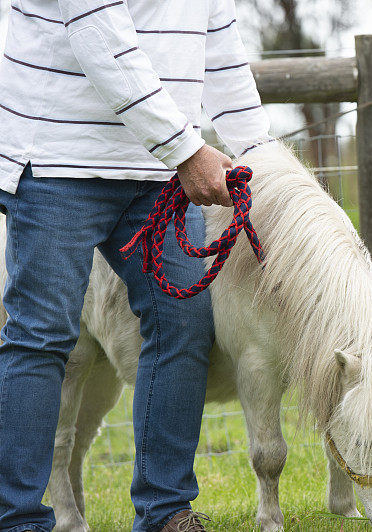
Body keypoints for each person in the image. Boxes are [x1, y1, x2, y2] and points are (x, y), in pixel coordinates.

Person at [0, 1, 271, 531]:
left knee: (184, 320)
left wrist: (263, 161)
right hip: (58, 158)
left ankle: (165, 509)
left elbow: (222, 58)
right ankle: (18, 521)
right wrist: (187, 149)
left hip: (156, 171)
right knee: (41, 335)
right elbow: (97, 32)